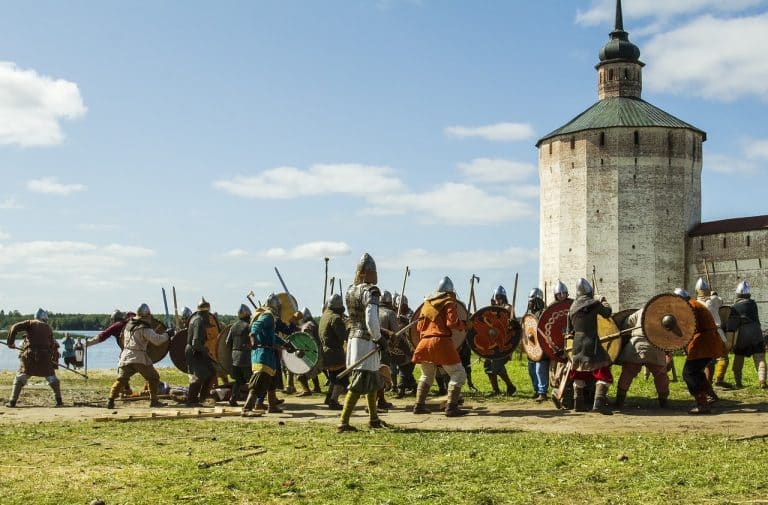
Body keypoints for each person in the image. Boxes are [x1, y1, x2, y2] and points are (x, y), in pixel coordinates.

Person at [337, 253, 388, 432]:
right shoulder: (371, 291)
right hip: (366, 340)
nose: (376, 274)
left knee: (372, 379)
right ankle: (343, 422)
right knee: (359, 382)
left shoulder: (351, 290)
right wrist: (379, 338)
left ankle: (374, 419)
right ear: (366, 272)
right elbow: (371, 319)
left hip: (354, 339)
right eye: (374, 271)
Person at [412, 276, 468, 417]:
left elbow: (418, 327)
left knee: (426, 375)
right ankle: (451, 407)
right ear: (450, 291)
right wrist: (464, 325)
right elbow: (452, 323)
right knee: (458, 373)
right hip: (441, 341)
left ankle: (419, 406)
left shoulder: (427, 304)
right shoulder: (448, 301)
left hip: (424, 343)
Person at [106, 304, 174, 409]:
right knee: (154, 377)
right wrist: (167, 334)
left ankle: (110, 400)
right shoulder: (144, 328)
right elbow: (157, 340)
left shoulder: (128, 326)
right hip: (139, 358)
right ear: (146, 316)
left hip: (126, 357)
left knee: (121, 380)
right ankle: (154, 401)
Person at [241, 294, 297, 414]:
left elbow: (272, 337)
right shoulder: (268, 315)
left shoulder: (264, 315)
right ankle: (247, 408)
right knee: (258, 383)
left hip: (268, 355)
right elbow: (256, 326)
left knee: (271, 383)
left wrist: (285, 344)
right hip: (263, 355)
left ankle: (272, 406)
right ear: (276, 307)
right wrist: (252, 336)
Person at [566, 278, 613, 414]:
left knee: (579, 373)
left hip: (577, 344)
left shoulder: (572, 307)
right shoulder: (594, 304)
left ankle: (578, 403)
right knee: (603, 372)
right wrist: (603, 300)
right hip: (592, 342)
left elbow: (569, 330)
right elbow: (607, 312)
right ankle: (598, 404)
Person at [678, 288, 727, 414]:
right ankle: (710, 396)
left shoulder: (690, 306)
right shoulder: (694, 304)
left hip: (703, 343)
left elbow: (690, 327)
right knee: (697, 372)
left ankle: (702, 404)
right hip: (708, 341)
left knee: (689, 373)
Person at [5, 308, 62, 408]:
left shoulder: (30, 323)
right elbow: (52, 344)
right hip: (44, 356)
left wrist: (10, 342)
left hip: (30, 355)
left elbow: (14, 327)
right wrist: (52, 358)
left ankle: (12, 401)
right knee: (52, 378)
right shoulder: (48, 328)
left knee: (20, 377)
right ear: (44, 318)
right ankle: (59, 401)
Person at [615, 308, 670, 408]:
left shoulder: (640, 311)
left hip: (637, 345)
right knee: (661, 375)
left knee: (627, 373)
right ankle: (663, 402)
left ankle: (619, 401)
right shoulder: (664, 314)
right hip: (655, 347)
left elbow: (627, 324)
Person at [726, 281, 766, 389]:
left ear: (738, 294)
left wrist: (729, 340)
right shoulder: (753, 304)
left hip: (743, 334)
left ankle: (738, 383)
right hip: (756, 332)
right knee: (759, 357)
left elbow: (731, 325)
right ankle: (762, 381)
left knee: (739, 357)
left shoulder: (735, 307)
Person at [694, 278, 729, 389]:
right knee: (723, 357)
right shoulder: (713, 300)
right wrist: (714, 293)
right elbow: (721, 300)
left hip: (701, 336)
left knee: (705, 361)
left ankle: (704, 383)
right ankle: (718, 379)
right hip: (715, 333)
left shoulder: (695, 303)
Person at [185, 298, 217, 406]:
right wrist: (205, 349)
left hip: (196, 350)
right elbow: (195, 342)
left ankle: (202, 398)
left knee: (211, 372)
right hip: (195, 350)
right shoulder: (199, 321)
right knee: (198, 376)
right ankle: (191, 400)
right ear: (206, 312)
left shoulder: (196, 319)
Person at [319, 294, 349, 410]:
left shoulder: (324, 315)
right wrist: (349, 328)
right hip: (334, 352)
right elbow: (343, 335)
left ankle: (329, 397)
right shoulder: (335, 318)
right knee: (342, 377)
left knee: (334, 377)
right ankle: (333, 400)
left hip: (325, 351)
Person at [225, 304, 252, 407]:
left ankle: (233, 399)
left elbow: (227, 342)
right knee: (252, 379)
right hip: (246, 356)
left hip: (234, 356)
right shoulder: (248, 326)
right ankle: (252, 401)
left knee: (238, 380)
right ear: (247, 315)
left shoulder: (233, 326)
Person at [392, 294, 418, 397]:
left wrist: (403, 320)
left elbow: (414, 325)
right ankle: (414, 387)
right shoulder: (395, 314)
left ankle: (401, 390)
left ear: (405, 304)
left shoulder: (411, 314)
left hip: (410, 344)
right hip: (400, 346)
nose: (399, 307)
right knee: (404, 368)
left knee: (405, 368)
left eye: (401, 305)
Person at [524, 287, 548, 401]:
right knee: (532, 370)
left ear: (537, 300)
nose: (529, 303)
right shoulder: (529, 313)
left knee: (540, 370)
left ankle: (542, 393)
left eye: (532, 301)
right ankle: (536, 390)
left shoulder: (543, 313)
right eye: (529, 301)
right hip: (531, 346)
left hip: (541, 346)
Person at [376, 290, 398, 410]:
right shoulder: (390, 313)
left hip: (371, 346)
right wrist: (394, 346)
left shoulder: (373, 311)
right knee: (382, 373)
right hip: (384, 347)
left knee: (376, 372)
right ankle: (378, 400)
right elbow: (395, 334)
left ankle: (380, 399)